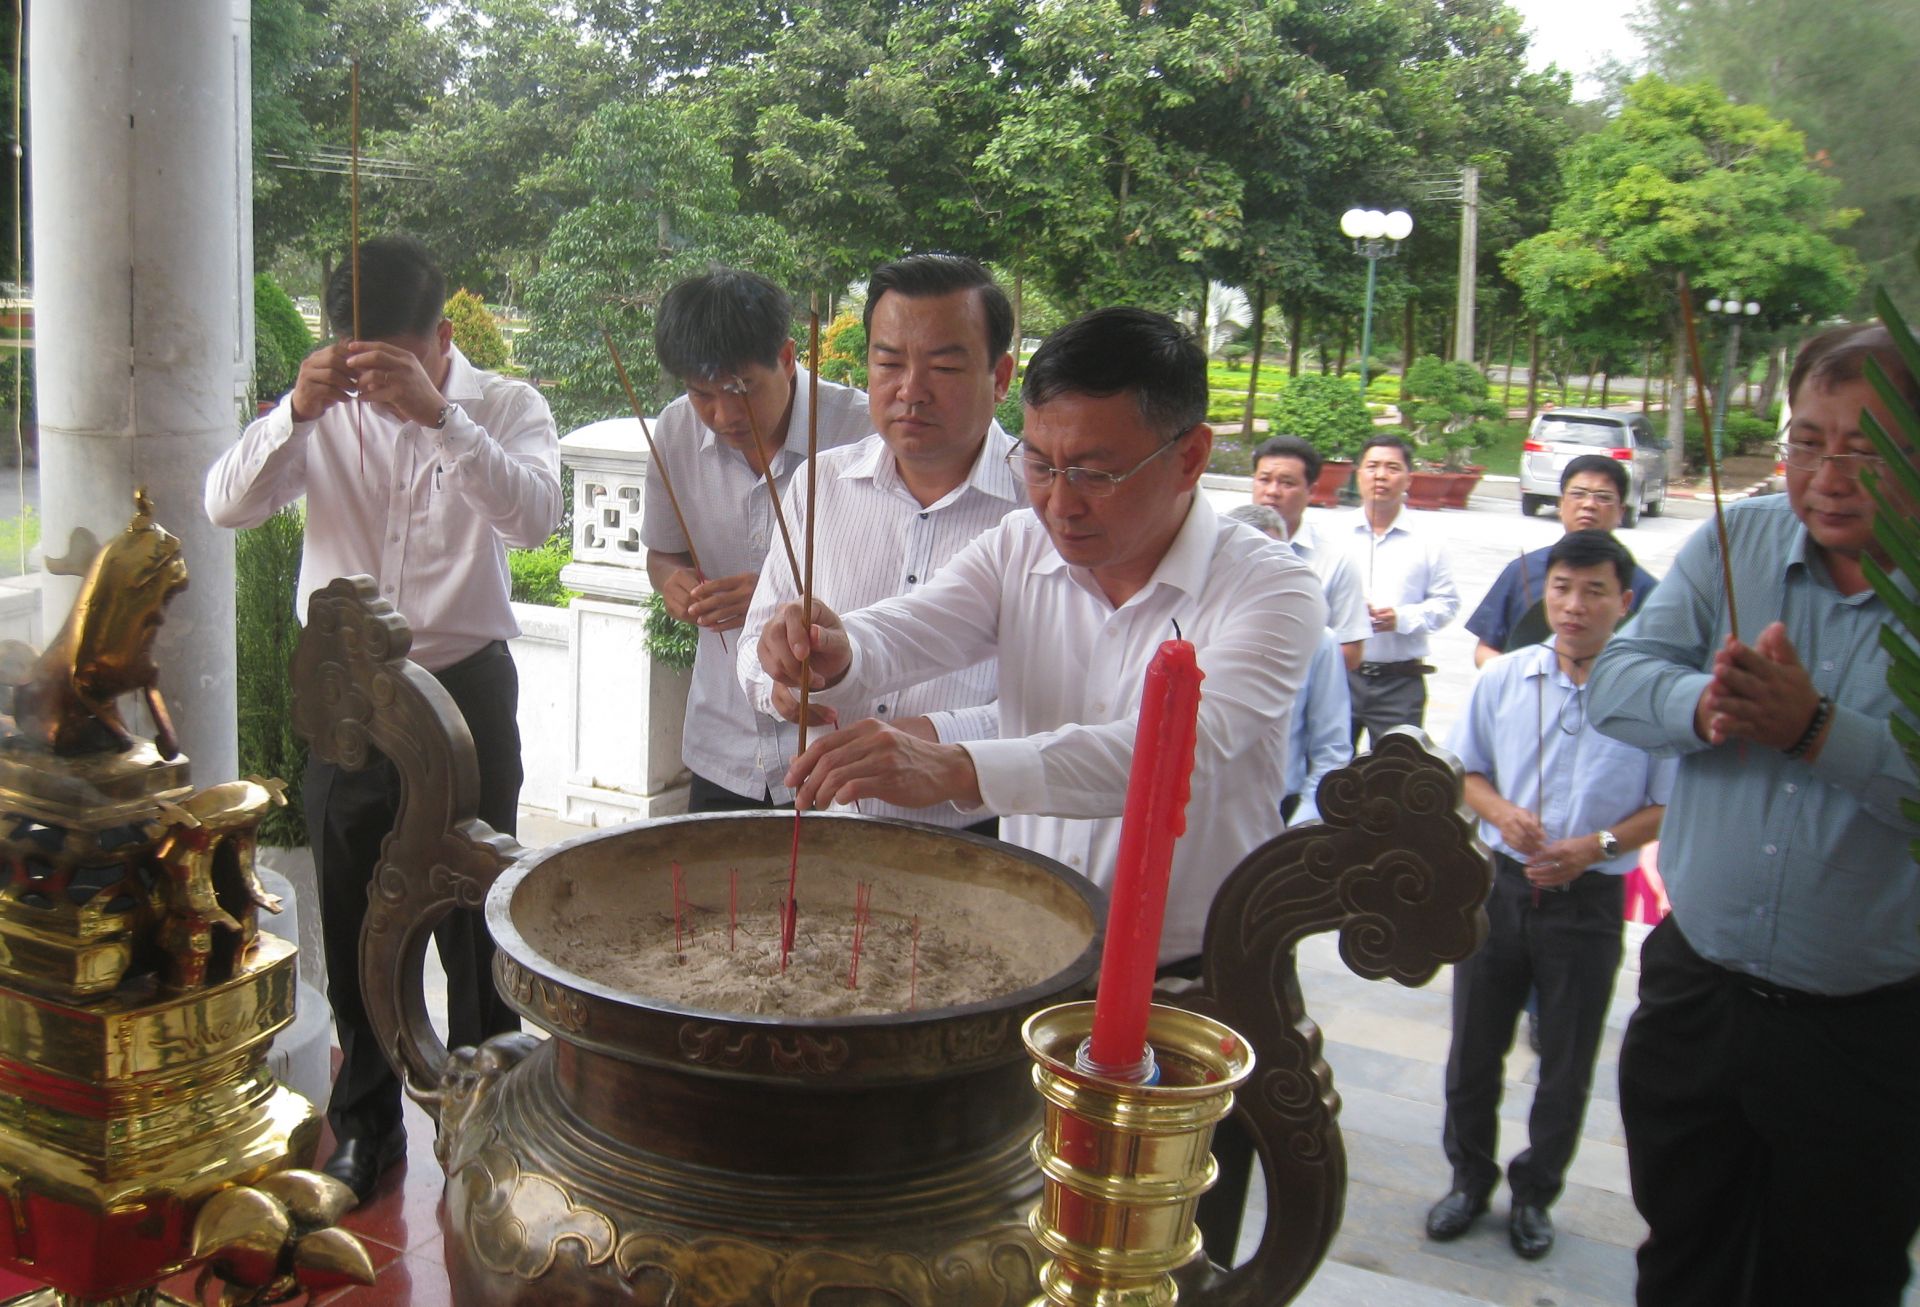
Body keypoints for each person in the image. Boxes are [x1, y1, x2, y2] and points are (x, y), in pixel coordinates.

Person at [755, 307, 1324, 971]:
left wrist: (960, 767)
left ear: (1190, 456)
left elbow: (1175, 753)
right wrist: (836, 646)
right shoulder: (1019, 548)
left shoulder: (1270, 590)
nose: (1059, 503)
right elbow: (916, 624)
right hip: (1044, 941)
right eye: (1040, 465)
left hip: (1204, 958)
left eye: (1095, 472)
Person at [203, 234, 561, 1202]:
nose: (376, 386)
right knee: (358, 913)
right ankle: (365, 1126)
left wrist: (440, 416)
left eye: (394, 361)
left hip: (467, 692)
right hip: (350, 698)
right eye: (356, 361)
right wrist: (297, 406)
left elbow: (535, 519)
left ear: (443, 337)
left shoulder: (504, 407)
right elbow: (226, 504)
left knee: (478, 915)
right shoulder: (322, 414)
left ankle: (489, 1121)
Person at [1588, 321, 1920, 1306]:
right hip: (1703, 994)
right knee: (1680, 1254)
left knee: (1833, 1276)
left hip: (1868, 1029)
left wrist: (1818, 727)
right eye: (1807, 440)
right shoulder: (1740, 537)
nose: (1827, 472)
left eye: (1864, 448)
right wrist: (1707, 704)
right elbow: (1616, 678)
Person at [1426, 530, 1673, 1261]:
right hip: (1498, 889)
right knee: (1473, 1048)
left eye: (1595, 590)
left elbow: (1666, 803)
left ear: (1624, 602)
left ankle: (1535, 1195)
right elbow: (1465, 771)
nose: (1575, 605)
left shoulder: (1648, 692)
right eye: (1563, 587)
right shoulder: (1505, 678)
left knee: (1567, 1062)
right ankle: (1468, 1178)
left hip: (1588, 903)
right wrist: (1501, 813)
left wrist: (1595, 847)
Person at [736, 254, 1021, 830]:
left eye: (943, 368)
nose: (911, 391)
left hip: (986, 837)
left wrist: (939, 742)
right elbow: (751, 647)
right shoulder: (819, 484)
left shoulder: (1045, 509)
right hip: (832, 825)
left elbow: (1074, 710)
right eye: (888, 362)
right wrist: (779, 684)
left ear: (1001, 378)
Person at [643, 267, 872, 812]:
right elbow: (662, 553)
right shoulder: (676, 430)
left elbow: (908, 582)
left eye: (741, 388)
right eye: (702, 394)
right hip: (724, 742)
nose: (722, 415)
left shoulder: (861, 433)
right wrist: (672, 584)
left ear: (788, 358)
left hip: (835, 743)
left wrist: (774, 602)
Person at [1467, 454, 1661, 666]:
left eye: (1603, 497)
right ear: (1561, 504)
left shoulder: (1647, 588)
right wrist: (1517, 681)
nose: (1589, 504)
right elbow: (1486, 649)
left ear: (1621, 512)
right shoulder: (1521, 570)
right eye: (1578, 493)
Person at [1225, 503, 1352, 824]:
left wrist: (1303, 825)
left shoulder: (1318, 641)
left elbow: (1332, 748)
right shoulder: (1192, 630)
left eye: (1279, 560)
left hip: (1281, 810)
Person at [1344, 434, 1458, 745]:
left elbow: (1447, 604)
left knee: (1393, 776)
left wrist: (1400, 618)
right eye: (1372, 466)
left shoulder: (1429, 541)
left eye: (1392, 468)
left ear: (1408, 478)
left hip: (1400, 680)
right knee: (1329, 772)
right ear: (1359, 474)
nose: (1381, 475)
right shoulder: (1333, 535)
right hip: (1340, 677)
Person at [1249, 435, 1370, 669]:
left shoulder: (1336, 560)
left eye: (1287, 483)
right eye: (1264, 479)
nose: (1272, 491)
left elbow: (1351, 652)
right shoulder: (1219, 545)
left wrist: (1274, 653)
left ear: (1312, 490)